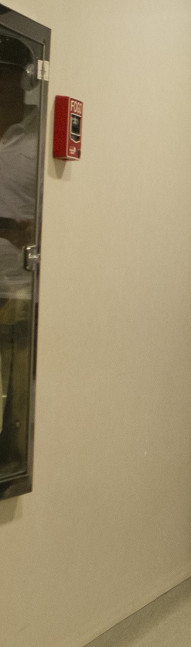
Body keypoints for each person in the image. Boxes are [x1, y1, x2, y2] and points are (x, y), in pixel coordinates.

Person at [0, 35, 38, 477]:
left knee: (17, 397)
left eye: (7, 75)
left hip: (22, 289)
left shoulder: (35, 140)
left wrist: (25, 231)